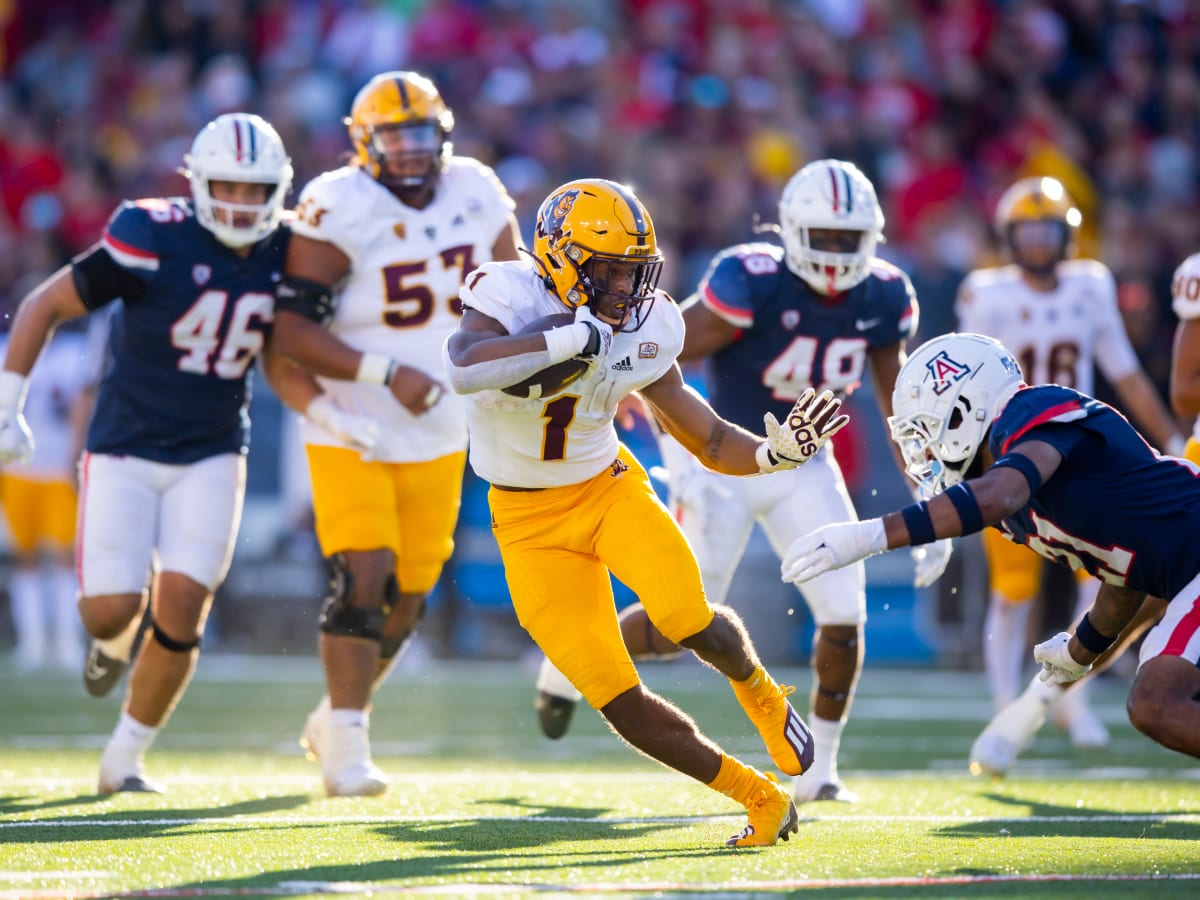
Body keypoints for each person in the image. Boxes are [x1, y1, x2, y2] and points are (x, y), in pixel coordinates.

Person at [445, 177, 852, 847]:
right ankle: (759, 799)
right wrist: (562, 340)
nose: (624, 288)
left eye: (635, 271)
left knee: (684, 615)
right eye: (607, 269)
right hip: (525, 523)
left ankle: (761, 694)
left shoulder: (650, 321)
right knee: (618, 699)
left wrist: (772, 456)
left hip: (606, 488)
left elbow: (710, 437)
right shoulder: (508, 294)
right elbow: (464, 367)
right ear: (557, 257)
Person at [530, 159, 949, 805]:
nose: (837, 253)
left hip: (804, 465)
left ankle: (820, 769)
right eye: (825, 237)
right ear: (791, 230)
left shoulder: (886, 294)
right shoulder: (751, 278)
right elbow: (662, 344)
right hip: (723, 463)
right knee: (679, 625)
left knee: (844, 611)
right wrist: (642, 400)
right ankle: (569, 662)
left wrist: (930, 493)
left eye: (849, 239)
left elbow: (897, 403)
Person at [0, 113, 381, 794]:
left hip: (212, 448)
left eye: (254, 189)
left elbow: (278, 354)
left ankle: (124, 757)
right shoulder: (153, 233)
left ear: (278, 191)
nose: (240, 203)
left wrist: (328, 409)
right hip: (124, 444)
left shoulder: (287, 249)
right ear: (200, 184)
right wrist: (8, 405)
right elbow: (43, 305)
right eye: (227, 187)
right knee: (109, 611)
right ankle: (114, 644)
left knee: (182, 606)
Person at [270, 71, 522, 797]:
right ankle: (349, 742)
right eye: (393, 136)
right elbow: (289, 331)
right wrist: (384, 373)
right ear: (363, 142)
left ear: (443, 134)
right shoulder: (337, 203)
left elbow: (515, 292)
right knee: (365, 574)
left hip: (444, 429)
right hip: (353, 424)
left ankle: (333, 717)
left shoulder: (476, 188)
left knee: (409, 594)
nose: (409, 150)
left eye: (420, 134)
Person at [780, 332, 1200, 765]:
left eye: (925, 429)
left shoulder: (1030, 413)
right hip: (1188, 575)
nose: (923, 450)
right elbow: (1125, 574)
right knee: (1157, 700)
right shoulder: (1009, 500)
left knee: (1157, 702)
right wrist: (1079, 653)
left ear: (964, 410)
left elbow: (997, 495)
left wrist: (866, 537)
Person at [955, 176, 1186, 762]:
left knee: (1106, 580)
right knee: (1012, 591)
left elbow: (1124, 368)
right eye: (1026, 233)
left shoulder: (1089, 285)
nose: (1036, 245)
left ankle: (1071, 702)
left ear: (1069, 236)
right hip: (1012, 457)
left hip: (1081, 460)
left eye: (1047, 232)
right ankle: (1006, 703)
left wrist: (1172, 439)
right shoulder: (987, 293)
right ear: (1008, 238)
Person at [0, 325, 90, 672]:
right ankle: (33, 644)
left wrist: (75, 457)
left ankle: (67, 643)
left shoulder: (74, 353)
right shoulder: (6, 348)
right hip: (16, 471)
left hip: (58, 468)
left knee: (65, 557)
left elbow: (82, 404)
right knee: (25, 558)